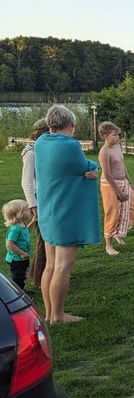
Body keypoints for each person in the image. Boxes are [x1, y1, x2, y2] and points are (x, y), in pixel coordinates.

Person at [35, 104, 100, 323]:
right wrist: (94, 167)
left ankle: (49, 313)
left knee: (51, 265)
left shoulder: (41, 143)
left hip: (48, 211)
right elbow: (84, 165)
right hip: (65, 213)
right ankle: (59, 315)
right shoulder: (70, 145)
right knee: (64, 266)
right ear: (71, 125)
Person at [98, 122, 134, 255]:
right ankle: (108, 245)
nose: (117, 138)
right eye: (114, 135)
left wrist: (129, 181)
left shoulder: (117, 146)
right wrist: (117, 191)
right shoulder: (104, 152)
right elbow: (107, 174)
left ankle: (119, 232)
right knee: (113, 213)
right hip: (110, 185)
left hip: (123, 182)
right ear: (105, 136)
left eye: (118, 135)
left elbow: (122, 165)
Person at [20, 117, 48, 286]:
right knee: (43, 239)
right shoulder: (31, 153)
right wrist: (33, 205)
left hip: (45, 196)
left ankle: (40, 272)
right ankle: (39, 278)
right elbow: (27, 181)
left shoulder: (42, 150)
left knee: (47, 238)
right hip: (38, 198)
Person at [4, 199, 33, 293]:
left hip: (22, 258)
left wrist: (33, 221)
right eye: (26, 210)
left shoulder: (21, 225)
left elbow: (26, 232)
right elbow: (9, 244)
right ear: (18, 214)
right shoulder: (15, 229)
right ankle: (17, 293)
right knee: (18, 276)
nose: (29, 210)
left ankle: (21, 290)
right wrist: (21, 253)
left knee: (22, 274)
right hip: (16, 259)